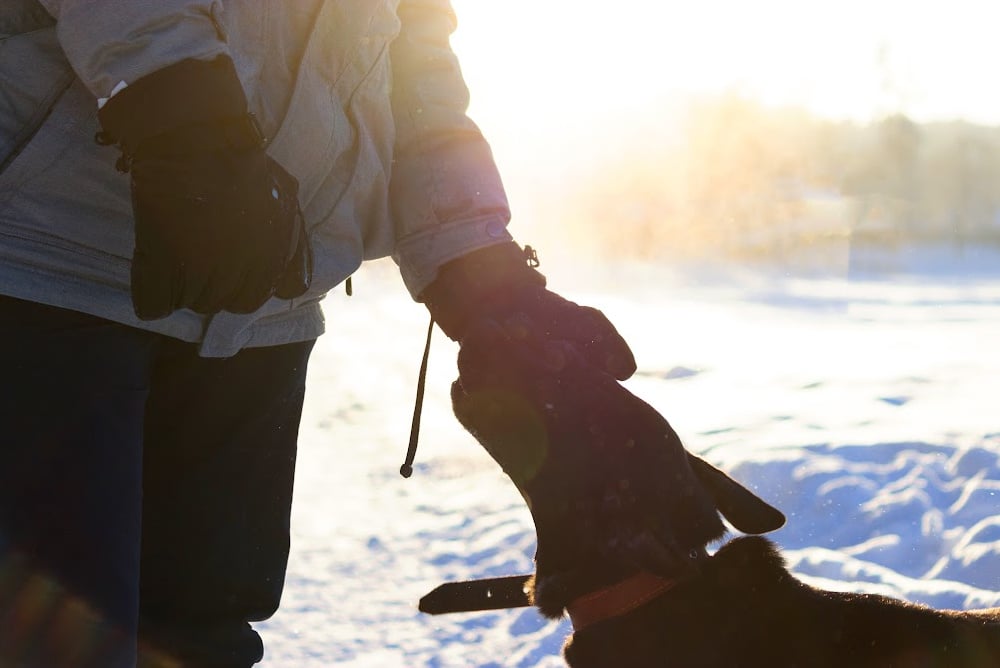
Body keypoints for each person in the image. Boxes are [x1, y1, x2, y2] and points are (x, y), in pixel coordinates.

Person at [0, 2, 727, 666]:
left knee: (201, 633)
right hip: (45, 266)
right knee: (54, 636)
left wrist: (478, 264)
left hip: (266, 301)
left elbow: (414, 67)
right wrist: (189, 129)